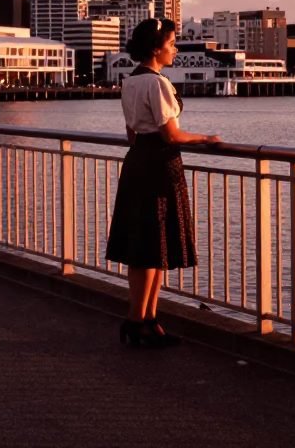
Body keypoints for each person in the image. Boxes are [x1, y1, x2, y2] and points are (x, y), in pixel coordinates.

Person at [105, 18, 221, 348]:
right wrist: (205, 138)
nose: (176, 48)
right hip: (159, 165)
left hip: (138, 161)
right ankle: (137, 320)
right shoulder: (156, 84)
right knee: (152, 247)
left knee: (146, 247)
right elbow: (170, 134)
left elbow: (132, 133)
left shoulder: (130, 82)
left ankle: (147, 320)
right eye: (171, 43)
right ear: (156, 49)